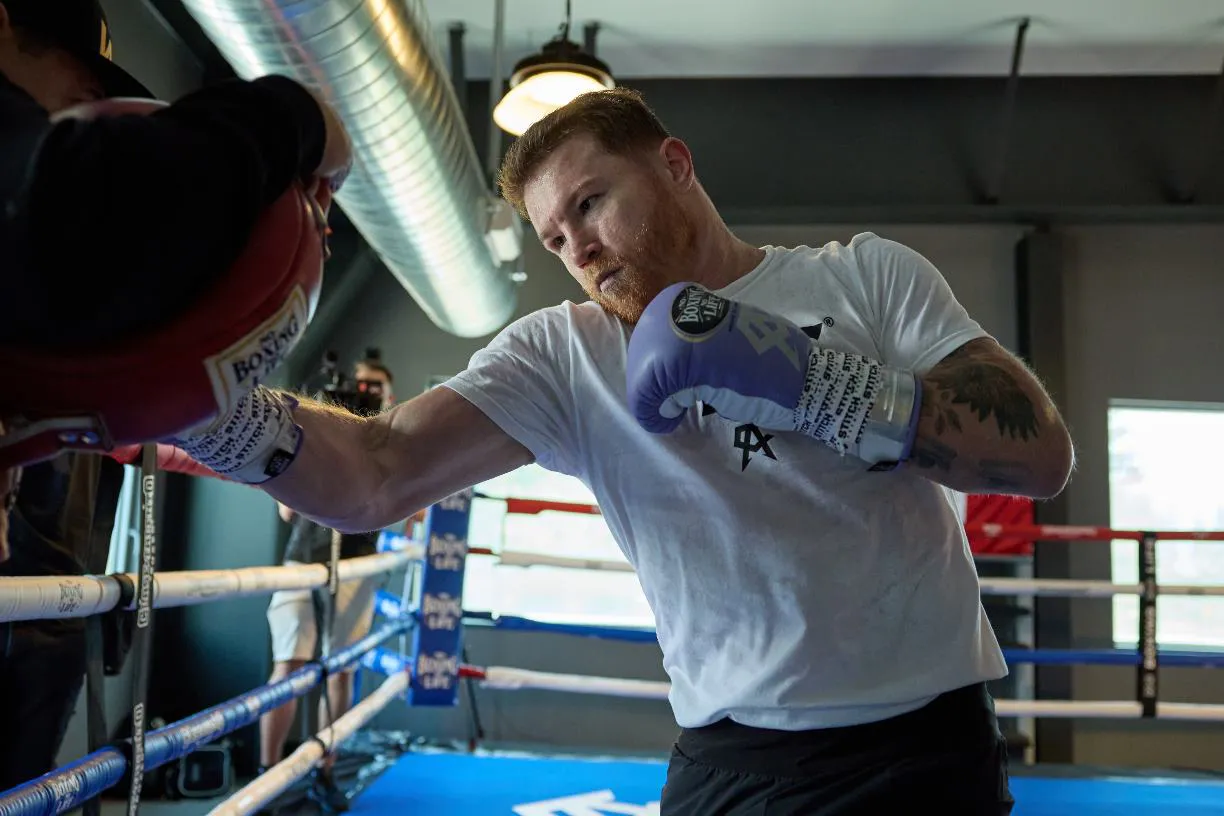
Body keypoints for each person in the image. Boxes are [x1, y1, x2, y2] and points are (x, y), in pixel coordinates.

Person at [162, 87, 1075, 814]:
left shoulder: (865, 276)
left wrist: (813, 381)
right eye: (556, 238)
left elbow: (1037, 455)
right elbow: (377, 472)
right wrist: (202, 402)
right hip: (735, 765)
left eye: (592, 204)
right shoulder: (566, 354)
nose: (582, 250)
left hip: (925, 752)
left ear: (675, 164)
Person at [0, 0, 352, 789]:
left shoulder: (45, 336)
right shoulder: (46, 202)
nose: (65, 120)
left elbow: (135, 427)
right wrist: (307, 123)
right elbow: (96, 197)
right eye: (55, 98)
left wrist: (256, 459)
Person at [258, 357, 397, 810]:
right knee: (289, 665)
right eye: (361, 387)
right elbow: (284, 508)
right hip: (304, 559)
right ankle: (267, 774)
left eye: (375, 388)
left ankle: (325, 766)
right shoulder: (319, 427)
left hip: (358, 562)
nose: (366, 394)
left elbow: (411, 513)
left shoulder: (399, 436)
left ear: (389, 396)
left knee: (342, 671)